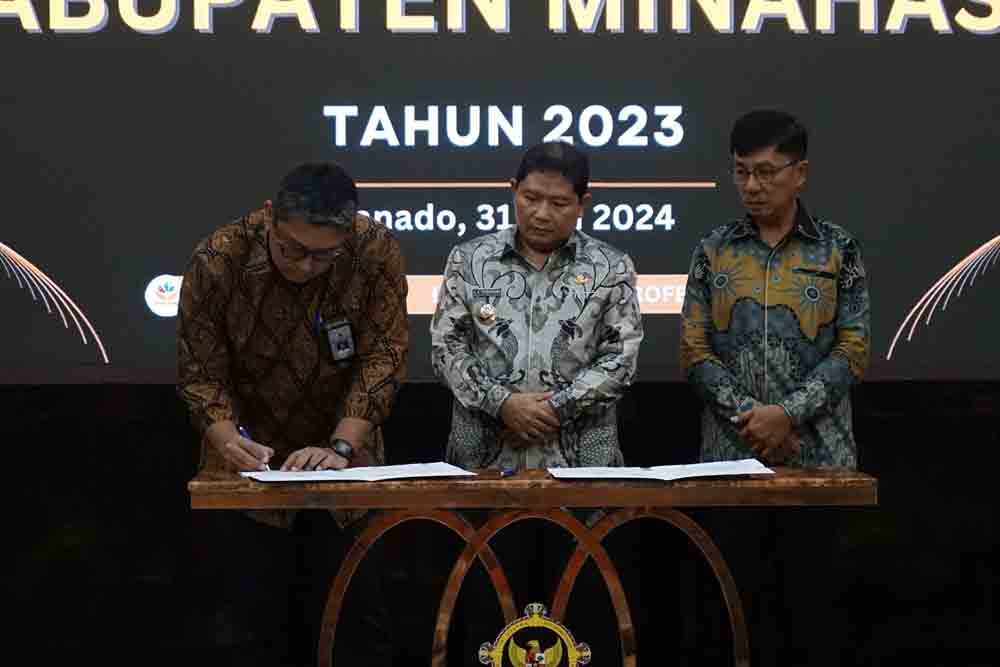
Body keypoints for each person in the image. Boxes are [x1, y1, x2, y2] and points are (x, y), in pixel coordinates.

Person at [177, 162, 408, 667]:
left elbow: (384, 356)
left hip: (345, 458)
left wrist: (341, 445)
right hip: (244, 458)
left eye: (325, 255)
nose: (306, 267)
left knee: (352, 624)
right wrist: (227, 438)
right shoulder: (218, 258)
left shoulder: (375, 249)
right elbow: (200, 371)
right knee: (244, 626)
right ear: (269, 217)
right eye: (293, 250)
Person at [430, 141, 644, 664]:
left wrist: (556, 407)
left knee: (579, 619)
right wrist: (502, 403)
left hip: (580, 473)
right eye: (530, 198)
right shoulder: (470, 260)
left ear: (583, 202)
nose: (542, 213)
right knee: (488, 619)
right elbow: (446, 348)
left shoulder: (611, 267)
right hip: (486, 469)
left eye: (558, 202)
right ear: (513, 192)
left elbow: (621, 357)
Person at [679, 110, 872, 664]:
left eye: (765, 172)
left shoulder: (838, 249)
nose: (751, 186)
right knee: (736, 616)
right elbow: (694, 351)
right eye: (741, 172)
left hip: (819, 462)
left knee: (812, 618)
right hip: (730, 461)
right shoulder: (713, 249)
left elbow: (854, 348)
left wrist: (787, 414)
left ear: (800, 173)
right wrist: (754, 419)